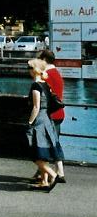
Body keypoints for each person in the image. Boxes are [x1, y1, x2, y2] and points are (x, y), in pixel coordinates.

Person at [25, 58, 63, 191]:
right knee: (43, 152)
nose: (28, 71)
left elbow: (36, 107)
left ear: (34, 70)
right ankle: (44, 182)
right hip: (47, 120)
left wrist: (30, 122)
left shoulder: (36, 86)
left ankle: (53, 175)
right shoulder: (45, 84)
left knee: (36, 154)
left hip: (39, 121)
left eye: (29, 68)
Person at [38, 49, 67, 183]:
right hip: (59, 113)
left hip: (50, 114)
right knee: (53, 142)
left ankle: (58, 173)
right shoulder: (57, 74)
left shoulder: (47, 75)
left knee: (49, 143)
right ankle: (45, 171)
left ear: (44, 60)